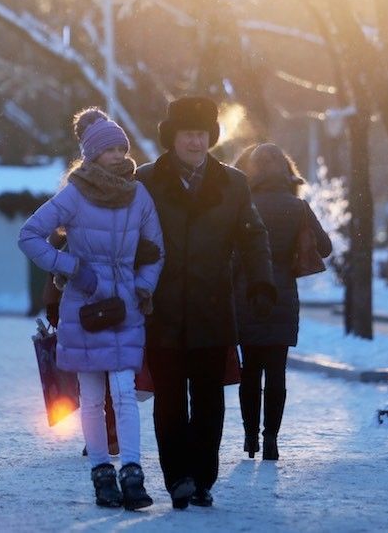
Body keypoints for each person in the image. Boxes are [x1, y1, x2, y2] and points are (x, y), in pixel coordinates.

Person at [19, 107, 164, 511]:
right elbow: (29, 235)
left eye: (122, 147)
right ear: (92, 154)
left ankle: (132, 472)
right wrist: (74, 270)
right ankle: (102, 473)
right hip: (84, 305)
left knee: (124, 391)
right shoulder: (75, 194)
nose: (118, 155)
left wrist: (142, 287)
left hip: (126, 305)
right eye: (109, 149)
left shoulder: (139, 195)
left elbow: (156, 251)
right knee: (92, 394)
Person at [136, 96, 276, 510]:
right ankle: (177, 477)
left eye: (201, 134)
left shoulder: (232, 183)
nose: (195, 143)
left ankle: (202, 477)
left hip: (213, 308)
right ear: (172, 139)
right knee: (170, 400)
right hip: (161, 309)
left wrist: (261, 282)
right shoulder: (146, 180)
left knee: (210, 401)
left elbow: (253, 235)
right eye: (187, 135)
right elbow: (122, 232)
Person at [233, 143, 331, 461]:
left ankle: (250, 437)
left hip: (247, 294)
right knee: (277, 371)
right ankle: (271, 439)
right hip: (283, 295)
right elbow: (325, 247)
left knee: (250, 370)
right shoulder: (298, 206)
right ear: (286, 169)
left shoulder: (243, 204)